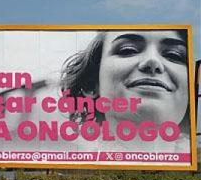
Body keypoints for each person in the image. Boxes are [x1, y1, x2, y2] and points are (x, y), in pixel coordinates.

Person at [60, 29, 190, 150]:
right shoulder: (74, 156)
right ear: (91, 83)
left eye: (174, 55)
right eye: (128, 50)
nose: (152, 61)